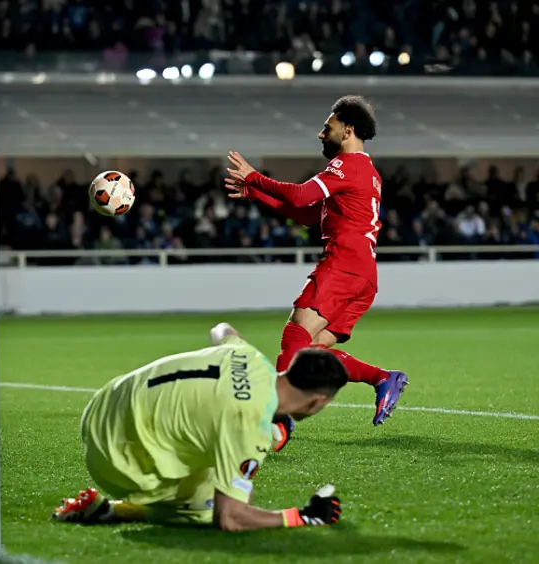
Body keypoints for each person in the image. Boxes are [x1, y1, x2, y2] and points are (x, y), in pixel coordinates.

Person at [224, 95, 408, 450]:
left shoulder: (347, 164)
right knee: (314, 355)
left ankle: (278, 419)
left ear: (348, 129)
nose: (321, 133)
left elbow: (300, 196)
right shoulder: (366, 172)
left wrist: (255, 177)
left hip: (342, 266)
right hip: (364, 275)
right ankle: (383, 378)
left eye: (328, 127)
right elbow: (310, 215)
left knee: (294, 338)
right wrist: (255, 194)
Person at [52, 323, 347, 531]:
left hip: (101, 408)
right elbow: (230, 519)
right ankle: (111, 510)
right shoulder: (250, 425)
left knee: (219, 467)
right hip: (114, 459)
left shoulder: (249, 355)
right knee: (210, 509)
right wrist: (301, 517)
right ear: (317, 402)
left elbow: (222, 329)